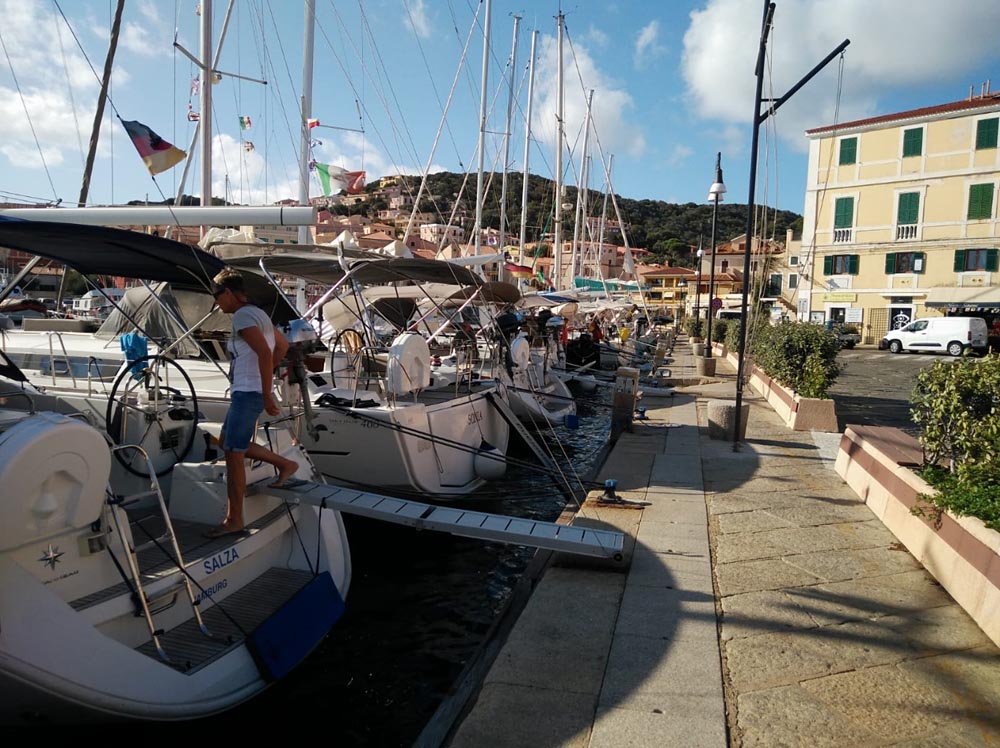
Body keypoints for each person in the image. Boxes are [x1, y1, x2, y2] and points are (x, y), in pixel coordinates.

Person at [207, 270, 301, 538]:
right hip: (248, 391)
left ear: (227, 292)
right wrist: (266, 380)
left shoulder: (242, 316)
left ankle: (235, 519)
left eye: (217, 297)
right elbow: (281, 346)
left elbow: (264, 351)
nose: (217, 304)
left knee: (233, 454)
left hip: (248, 393)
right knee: (228, 442)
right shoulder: (258, 313)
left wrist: (266, 391)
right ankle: (285, 465)